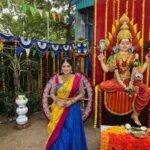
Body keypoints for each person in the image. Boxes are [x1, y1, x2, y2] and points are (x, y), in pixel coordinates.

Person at [98, 22, 150, 126]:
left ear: (131, 44)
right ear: (117, 44)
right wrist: (101, 61)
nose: (125, 45)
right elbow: (106, 70)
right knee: (102, 85)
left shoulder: (133, 57)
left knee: (146, 90)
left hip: (129, 80)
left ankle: (135, 114)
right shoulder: (113, 57)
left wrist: (147, 61)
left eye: (127, 43)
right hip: (116, 80)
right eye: (122, 43)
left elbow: (139, 71)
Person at [45, 57, 88, 150]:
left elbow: (82, 93)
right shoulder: (56, 78)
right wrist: (57, 101)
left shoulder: (77, 78)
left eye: (68, 66)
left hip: (72, 109)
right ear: (61, 68)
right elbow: (52, 93)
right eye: (63, 66)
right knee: (59, 131)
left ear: (71, 67)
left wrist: (72, 101)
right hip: (59, 108)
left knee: (72, 131)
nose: (65, 68)